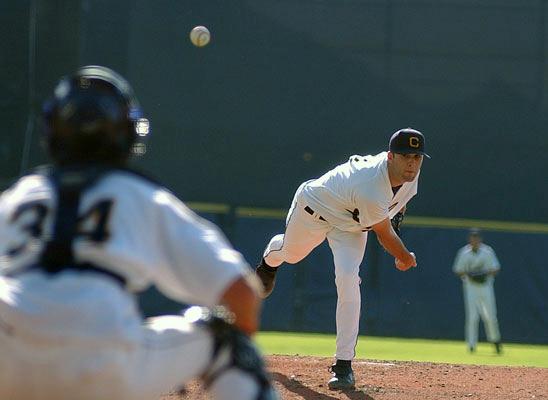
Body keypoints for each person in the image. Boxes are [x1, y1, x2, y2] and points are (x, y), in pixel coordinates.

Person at [0, 65, 277, 400]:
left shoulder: (17, 196)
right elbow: (242, 295)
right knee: (225, 338)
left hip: (7, 359)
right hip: (103, 363)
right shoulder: (139, 195)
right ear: (126, 132)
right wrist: (243, 336)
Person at [255, 128, 429, 389]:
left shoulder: (410, 174)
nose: (412, 163)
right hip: (315, 209)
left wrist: (397, 216)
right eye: (406, 156)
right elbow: (384, 235)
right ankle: (269, 263)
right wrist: (404, 257)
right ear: (390, 156)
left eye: (417, 157)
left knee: (348, 278)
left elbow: (399, 203)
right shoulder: (371, 183)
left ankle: (344, 365)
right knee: (291, 254)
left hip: (352, 226)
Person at [452, 228, 502, 354]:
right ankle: (471, 345)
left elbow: (495, 268)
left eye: (476, 238)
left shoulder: (487, 252)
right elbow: (457, 269)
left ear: (480, 239)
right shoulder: (464, 252)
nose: (474, 240)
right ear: (470, 239)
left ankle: (495, 340)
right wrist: (471, 274)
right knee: (472, 316)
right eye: (472, 238)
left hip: (486, 286)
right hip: (470, 287)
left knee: (490, 316)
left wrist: (483, 273)